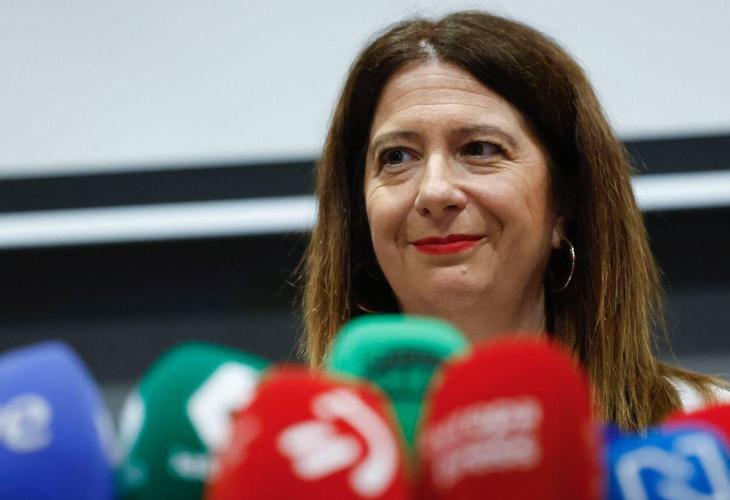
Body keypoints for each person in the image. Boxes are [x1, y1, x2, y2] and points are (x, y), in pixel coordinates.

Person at [299, 10, 725, 431]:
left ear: (565, 202)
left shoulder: (707, 433)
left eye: (480, 149)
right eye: (397, 157)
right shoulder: (300, 448)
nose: (434, 192)